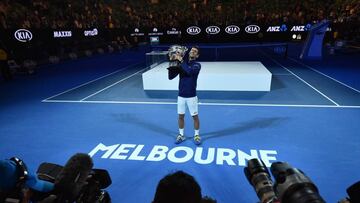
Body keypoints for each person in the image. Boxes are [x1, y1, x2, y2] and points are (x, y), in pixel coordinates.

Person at [172, 46, 201, 145]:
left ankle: (196, 135)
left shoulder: (197, 65)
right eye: (192, 50)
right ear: (189, 53)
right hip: (181, 95)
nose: (192, 51)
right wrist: (173, 62)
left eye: (195, 51)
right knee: (180, 116)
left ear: (197, 55)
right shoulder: (182, 64)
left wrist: (180, 60)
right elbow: (171, 77)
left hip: (192, 96)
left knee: (195, 117)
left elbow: (189, 71)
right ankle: (181, 135)